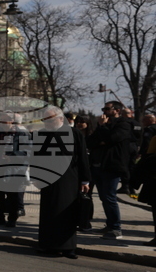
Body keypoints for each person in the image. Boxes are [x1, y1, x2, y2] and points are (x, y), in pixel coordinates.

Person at [37, 107, 91, 258]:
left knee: (67, 212)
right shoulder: (41, 134)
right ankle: (47, 245)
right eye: (45, 120)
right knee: (48, 212)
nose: (47, 123)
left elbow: (83, 158)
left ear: (61, 119)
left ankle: (68, 248)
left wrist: (85, 179)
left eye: (50, 120)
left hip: (69, 178)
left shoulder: (74, 134)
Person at [87, 101, 132, 239]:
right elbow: (90, 142)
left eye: (107, 109)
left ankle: (116, 228)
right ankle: (110, 225)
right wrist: (102, 133)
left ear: (117, 110)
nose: (104, 111)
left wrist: (102, 129)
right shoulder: (104, 125)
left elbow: (112, 138)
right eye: (103, 108)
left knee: (109, 197)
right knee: (103, 197)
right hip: (98, 165)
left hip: (112, 166)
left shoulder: (123, 124)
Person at [0, 114, 29, 228]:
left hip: (14, 169)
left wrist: (13, 156)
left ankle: (12, 219)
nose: (3, 123)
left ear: (12, 121)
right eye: (1, 121)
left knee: (12, 196)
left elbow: (27, 151)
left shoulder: (21, 134)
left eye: (5, 121)